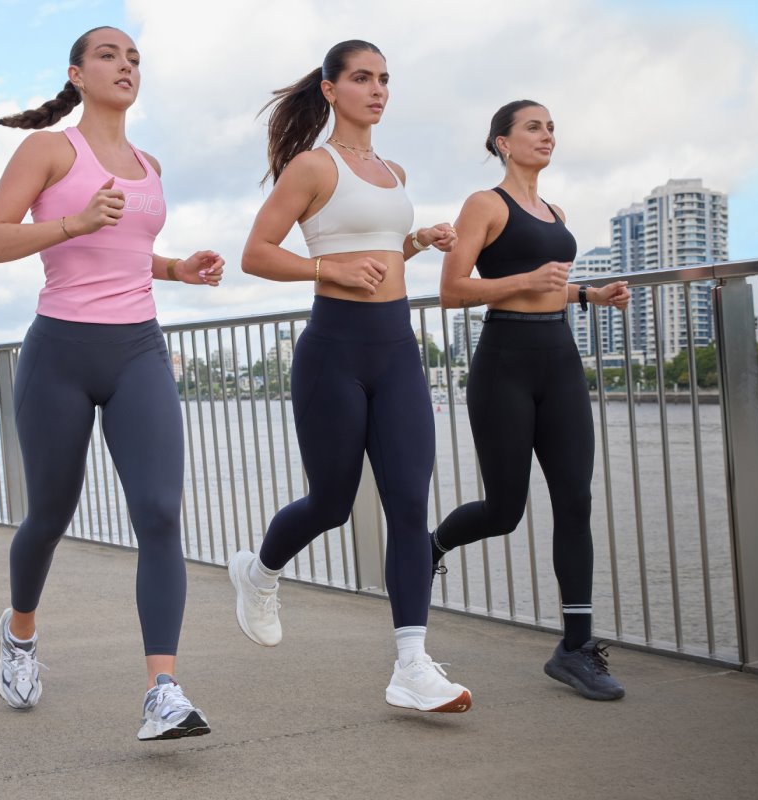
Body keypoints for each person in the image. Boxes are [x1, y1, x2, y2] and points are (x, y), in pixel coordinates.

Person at [0, 25, 223, 740]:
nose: (125, 65)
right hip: (61, 352)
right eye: (109, 55)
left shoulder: (150, 163)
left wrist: (178, 269)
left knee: (161, 512)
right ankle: (19, 634)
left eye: (134, 57)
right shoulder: (50, 149)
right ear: (76, 74)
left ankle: (162, 690)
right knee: (50, 515)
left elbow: (130, 253)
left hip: (139, 349)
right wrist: (73, 222)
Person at [226, 40, 470, 713]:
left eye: (385, 79)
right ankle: (259, 571)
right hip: (334, 349)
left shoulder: (393, 170)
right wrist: (324, 270)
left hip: (396, 349)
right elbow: (256, 253)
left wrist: (421, 242)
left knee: (410, 506)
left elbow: (382, 252)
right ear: (331, 90)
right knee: (331, 503)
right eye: (362, 78)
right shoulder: (312, 166)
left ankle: (411, 664)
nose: (378, 89)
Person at [432, 100, 631, 700]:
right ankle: (431, 548)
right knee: (505, 510)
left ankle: (576, 648)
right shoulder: (485, 204)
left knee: (575, 499)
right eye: (533, 127)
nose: (547, 136)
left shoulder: (556, 211)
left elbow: (549, 287)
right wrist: (524, 281)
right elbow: (452, 290)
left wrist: (587, 295)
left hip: (560, 360)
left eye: (551, 128)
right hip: (505, 364)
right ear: (502, 142)